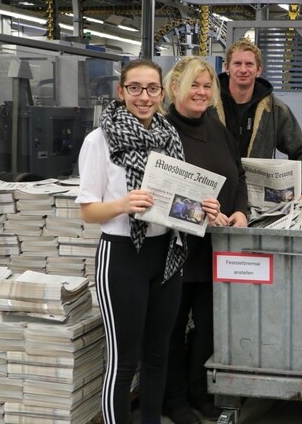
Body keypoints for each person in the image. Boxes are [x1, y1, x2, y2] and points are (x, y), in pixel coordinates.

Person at [76, 59, 219, 424]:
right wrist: (123, 204)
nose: (144, 96)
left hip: (167, 255)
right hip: (123, 256)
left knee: (158, 356)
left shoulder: (169, 136)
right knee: (124, 363)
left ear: (161, 92)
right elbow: (88, 211)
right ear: (121, 91)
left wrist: (203, 207)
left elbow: (178, 203)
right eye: (135, 88)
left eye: (152, 88)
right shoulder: (99, 140)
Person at [161, 57, 249, 424]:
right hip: (176, 251)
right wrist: (200, 212)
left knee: (209, 328)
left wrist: (241, 211)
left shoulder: (216, 127)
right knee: (173, 327)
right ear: (174, 88)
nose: (201, 92)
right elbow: (159, 193)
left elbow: (238, 175)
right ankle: (175, 399)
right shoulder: (163, 132)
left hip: (216, 248)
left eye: (206, 86)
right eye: (193, 86)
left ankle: (201, 391)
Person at [213, 38, 302, 192]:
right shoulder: (208, 105)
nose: (243, 69)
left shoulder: (275, 110)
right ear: (227, 67)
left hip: (254, 196)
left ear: (259, 70)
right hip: (215, 196)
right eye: (237, 63)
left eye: (249, 64)